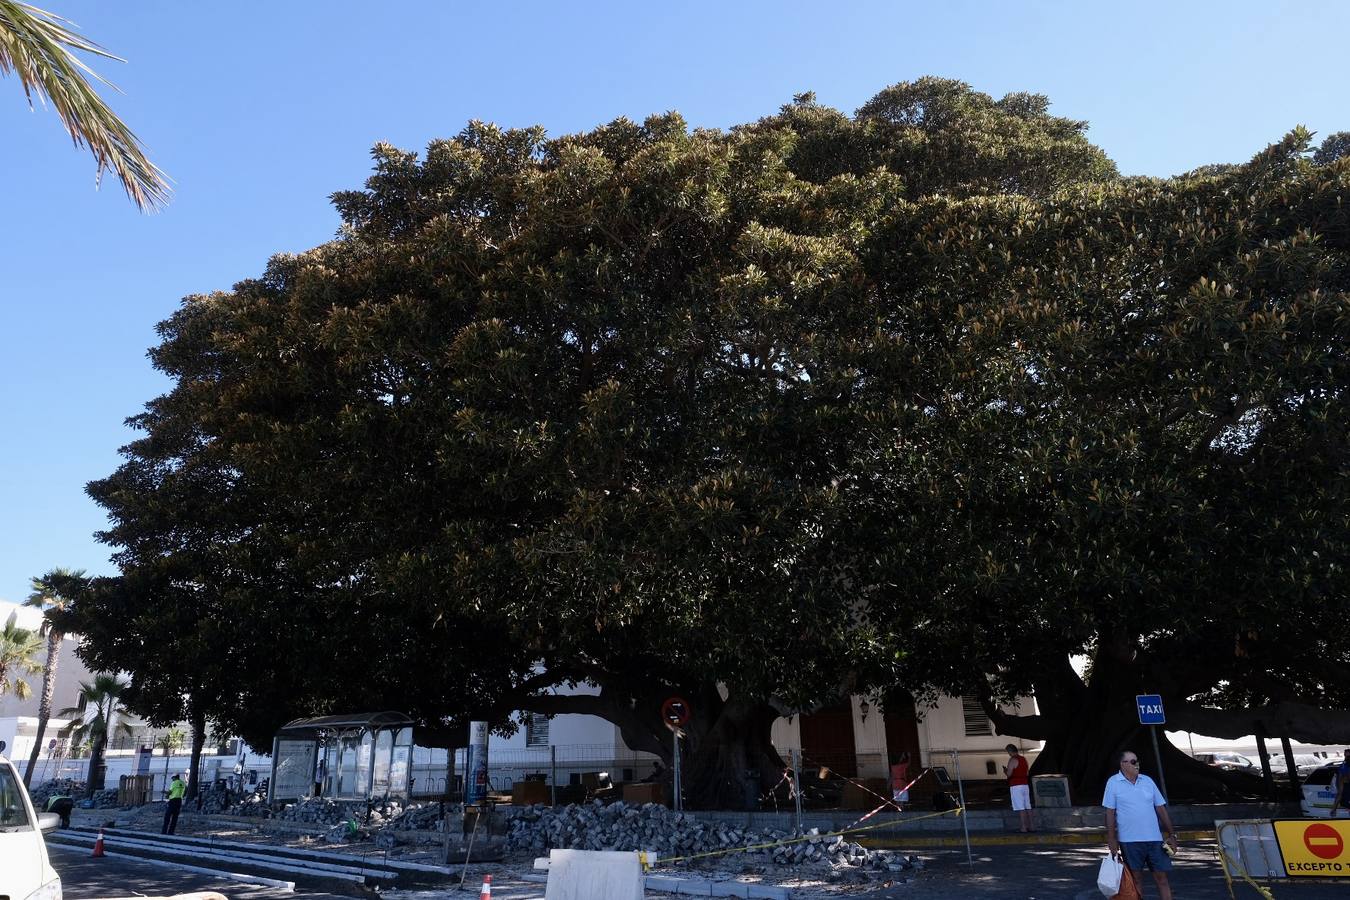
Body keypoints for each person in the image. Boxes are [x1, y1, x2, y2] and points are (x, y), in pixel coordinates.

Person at [1104, 750, 1179, 900]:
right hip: (1129, 841)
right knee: (1135, 879)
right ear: (1122, 764)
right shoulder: (1113, 782)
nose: (1137, 764)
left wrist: (1172, 834)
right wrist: (1112, 839)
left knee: (1161, 878)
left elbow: (1160, 809)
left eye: (1137, 760)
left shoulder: (1147, 781)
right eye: (1132, 761)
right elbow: (1110, 812)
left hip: (1154, 840)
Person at [1003, 743, 1033, 832]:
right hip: (1025, 784)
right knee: (1028, 806)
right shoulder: (1024, 759)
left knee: (1020, 807)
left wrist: (1005, 770)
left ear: (1009, 751)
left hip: (1016, 785)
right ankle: (1032, 826)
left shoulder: (1013, 759)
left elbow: (1009, 774)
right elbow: (1027, 773)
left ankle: (1023, 827)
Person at [1333, 748, 1350, 817]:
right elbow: (1339, 792)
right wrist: (1334, 809)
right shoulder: (1343, 766)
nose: (1346, 758)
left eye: (1348, 756)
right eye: (1345, 756)